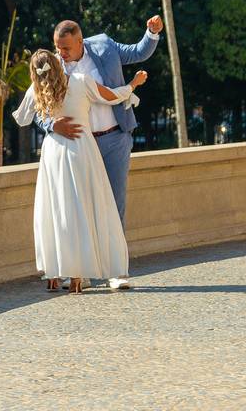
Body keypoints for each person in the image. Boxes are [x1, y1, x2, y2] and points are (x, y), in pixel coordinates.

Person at [19, 16, 162, 289]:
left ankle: (116, 272)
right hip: (76, 147)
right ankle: (78, 271)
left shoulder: (105, 47)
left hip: (114, 138)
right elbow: (36, 108)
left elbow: (138, 52)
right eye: (58, 47)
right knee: (77, 210)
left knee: (114, 204)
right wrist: (52, 125)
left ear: (80, 42)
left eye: (66, 48)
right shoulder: (51, 66)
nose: (61, 53)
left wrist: (151, 33)